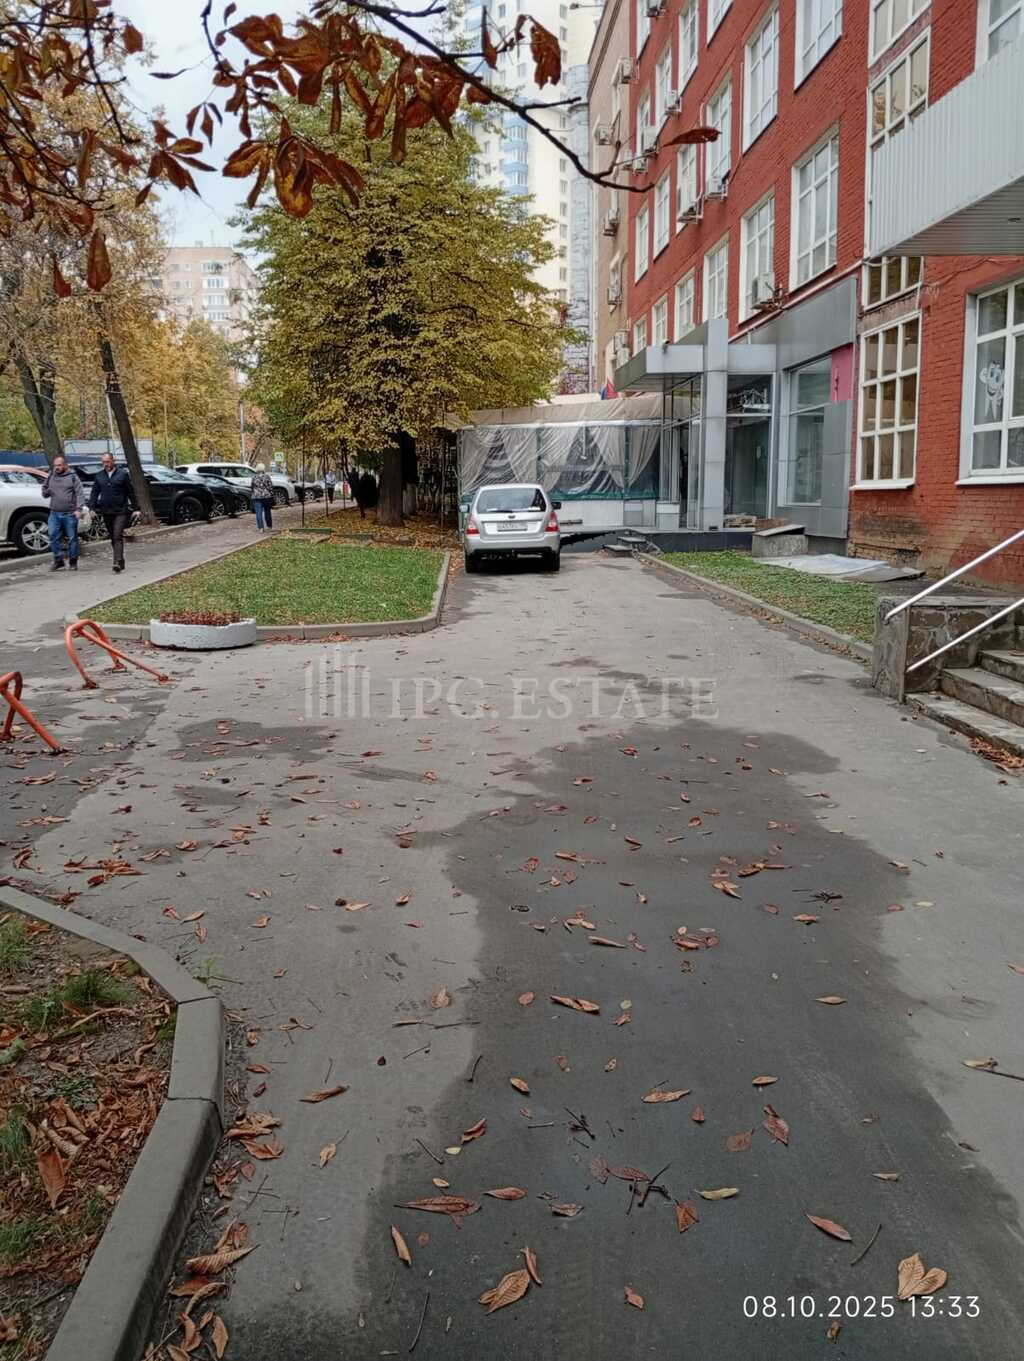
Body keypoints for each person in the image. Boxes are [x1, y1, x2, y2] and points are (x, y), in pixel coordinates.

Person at [89, 452, 137, 573]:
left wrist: (136, 508)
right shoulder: (99, 476)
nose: (106, 464)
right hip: (106, 511)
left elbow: (130, 492)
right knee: (112, 537)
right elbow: (94, 492)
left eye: (108, 461)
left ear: (113, 461)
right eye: (103, 462)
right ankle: (121, 560)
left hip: (121, 510)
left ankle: (117, 562)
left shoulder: (122, 474)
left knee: (117, 535)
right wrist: (92, 508)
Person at [40, 455, 85, 571]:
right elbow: (44, 492)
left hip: (70, 513)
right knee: (52, 535)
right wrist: (47, 491)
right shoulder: (51, 476)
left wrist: (79, 509)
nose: (57, 467)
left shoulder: (73, 477)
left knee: (72, 538)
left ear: (65, 465)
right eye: (55, 465)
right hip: (54, 513)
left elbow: (80, 494)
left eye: (59, 465)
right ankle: (58, 560)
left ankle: (73, 562)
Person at [251, 464, 275, 530]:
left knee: (258, 512)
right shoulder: (267, 476)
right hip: (266, 496)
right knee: (267, 511)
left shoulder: (254, 477)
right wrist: (272, 494)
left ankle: (261, 528)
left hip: (256, 496)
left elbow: (252, 487)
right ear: (263, 469)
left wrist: (253, 493)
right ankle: (269, 526)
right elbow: (270, 487)